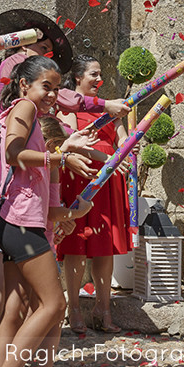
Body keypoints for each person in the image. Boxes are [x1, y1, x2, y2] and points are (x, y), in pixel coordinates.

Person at [0, 9, 125, 362]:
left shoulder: (19, 79)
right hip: (2, 164)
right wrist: (104, 104)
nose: (47, 52)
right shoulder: (20, 68)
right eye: (44, 45)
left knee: (7, 262)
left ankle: (4, 347)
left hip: (3, 161)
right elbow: (65, 100)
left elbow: (55, 119)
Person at [0, 56, 93, 367]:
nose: (51, 94)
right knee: (53, 304)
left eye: (55, 88)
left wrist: (62, 213)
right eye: (46, 86)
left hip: (19, 222)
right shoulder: (25, 106)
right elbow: (13, 154)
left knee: (13, 313)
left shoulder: (25, 108)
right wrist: (56, 154)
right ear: (25, 85)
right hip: (22, 225)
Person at [57, 55, 131, 334]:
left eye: (100, 75)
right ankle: (74, 308)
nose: (99, 80)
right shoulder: (67, 106)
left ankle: (103, 306)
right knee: (76, 245)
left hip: (108, 182)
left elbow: (121, 137)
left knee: (104, 245)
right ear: (78, 78)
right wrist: (109, 158)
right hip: (81, 181)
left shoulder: (110, 108)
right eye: (93, 75)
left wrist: (127, 148)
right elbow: (72, 145)